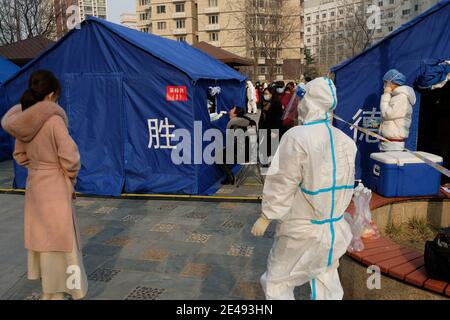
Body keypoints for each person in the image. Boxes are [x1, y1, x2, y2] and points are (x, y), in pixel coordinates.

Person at [251, 77, 357, 300]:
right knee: (325, 278)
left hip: (300, 229)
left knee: (277, 281)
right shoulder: (346, 141)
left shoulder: (297, 137)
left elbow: (282, 182)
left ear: (308, 102)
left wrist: (267, 215)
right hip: (334, 230)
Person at [1, 70, 88, 300]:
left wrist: (38, 167)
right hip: (55, 186)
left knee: (44, 242)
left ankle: (50, 292)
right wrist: (68, 176)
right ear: (50, 95)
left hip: (36, 184)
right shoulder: (54, 121)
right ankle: (63, 291)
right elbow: (71, 157)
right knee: (62, 241)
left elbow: (19, 155)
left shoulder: (24, 121)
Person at [379, 69, 417, 151]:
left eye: (386, 82)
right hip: (389, 142)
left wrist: (386, 95)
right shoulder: (397, 96)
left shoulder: (401, 97)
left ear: (392, 83)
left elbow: (386, 114)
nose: (384, 85)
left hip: (393, 144)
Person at [218, 107, 257, 184]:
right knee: (224, 153)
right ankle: (229, 177)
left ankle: (230, 178)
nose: (230, 111)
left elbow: (235, 143)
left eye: (232, 110)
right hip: (252, 152)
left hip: (244, 154)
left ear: (235, 114)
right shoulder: (248, 121)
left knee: (219, 156)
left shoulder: (235, 124)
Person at [258, 86, 283, 164]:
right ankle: (264, 161)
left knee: (272, 146)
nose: (265, 95)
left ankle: (272, 162)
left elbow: (278, 118)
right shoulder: (263, 103)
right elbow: (262, 115)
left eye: (266, 93)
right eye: (264, 93)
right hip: (264, 126)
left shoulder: (277, 104)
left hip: (273, 128)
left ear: (272, 94)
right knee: (263, 145)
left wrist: (275, 131)